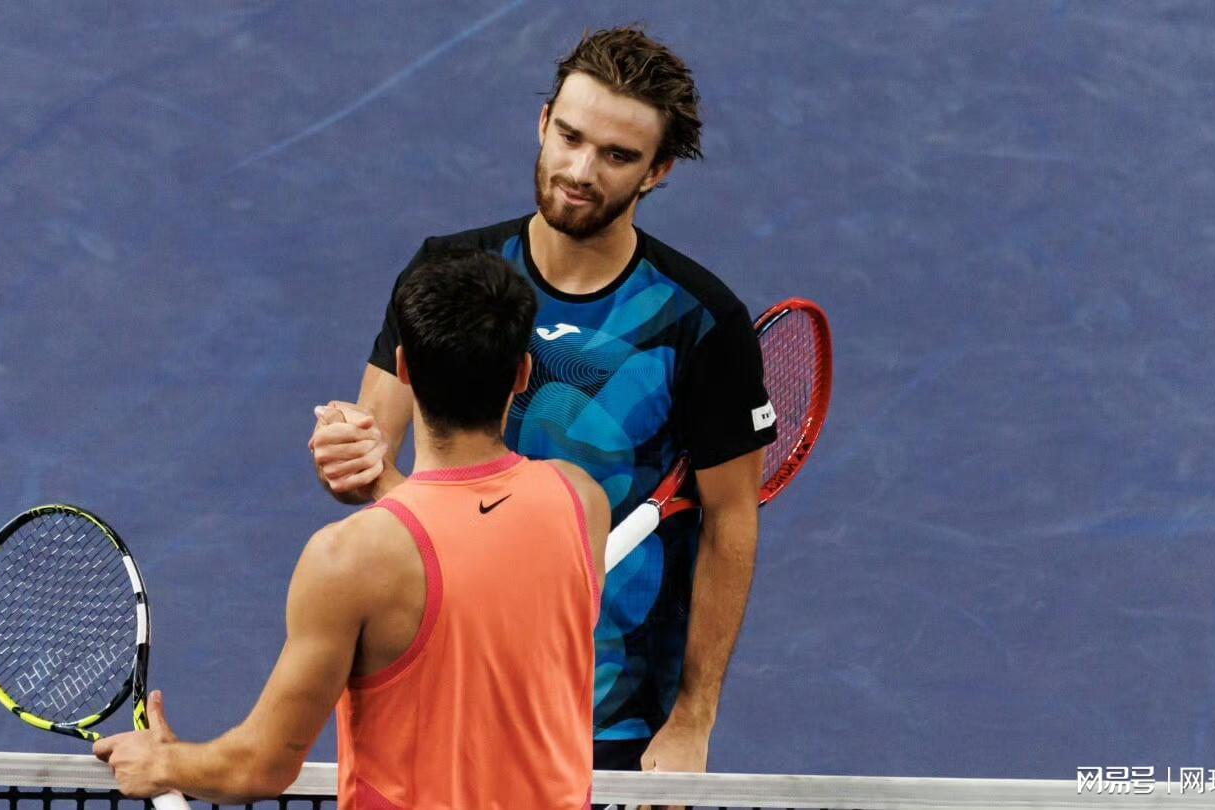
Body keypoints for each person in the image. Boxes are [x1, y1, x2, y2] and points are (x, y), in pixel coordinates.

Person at [309, 27, 776, 774]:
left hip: (605, 718)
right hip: (444, 694)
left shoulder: (700, 323)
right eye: (570, 136)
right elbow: (376, 461)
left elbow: (731, 522)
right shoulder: (447, 274)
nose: (580, 171)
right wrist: (350, 456)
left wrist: (694, 718)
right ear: (543, 122)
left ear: (657, 171)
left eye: (617, 156)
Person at [98, 249, 610, 809]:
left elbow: (260, 767)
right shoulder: (580, 501)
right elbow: (475, 545)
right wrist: (387, 484)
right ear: (523, 373)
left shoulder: (351, 559)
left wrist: (162, 763)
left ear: (404, 369)